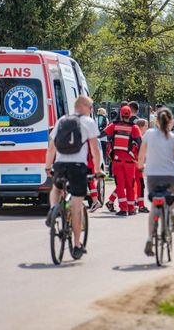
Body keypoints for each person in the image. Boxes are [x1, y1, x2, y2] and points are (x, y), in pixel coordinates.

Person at [45, 95, 102, 259]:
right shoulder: (88, 122)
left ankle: (53, 210)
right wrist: (97, 170)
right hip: (78, 166)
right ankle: (77, 245)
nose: (90, 111)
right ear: (83, 107)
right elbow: (95, 149)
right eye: (90, 108)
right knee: (77, 206)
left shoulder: (62, 120)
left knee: (56, 188)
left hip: (60, 165)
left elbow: (51, 147)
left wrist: (48, 167)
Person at [137, 108, 174, 257]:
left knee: (154, 206)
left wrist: (141, 166)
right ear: (170, 121)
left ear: (157, 121)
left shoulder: (148, 134)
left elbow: (141, 156)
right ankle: (173, 211)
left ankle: (150, 238)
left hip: (152, 176)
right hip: (170, 176)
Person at [102, 106, 142, 216]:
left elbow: (102, 134)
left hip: (117, 161)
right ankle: (131, 209)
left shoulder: (114, 126)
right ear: (130, 115)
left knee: (120, 185)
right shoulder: (134, 128)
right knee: (130, 185)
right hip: (130, 161)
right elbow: (140, 143)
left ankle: (123, 209)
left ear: (120, 114)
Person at [134, 118, 149, 212]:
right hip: (136, 164)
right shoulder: (139, 137)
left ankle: (111, 200)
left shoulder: (139, 136)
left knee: (130, 184)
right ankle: (141, 205)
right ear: (141, 127)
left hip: (136, 163)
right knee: (139, 184)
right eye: (146, 126)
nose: (147, 127)